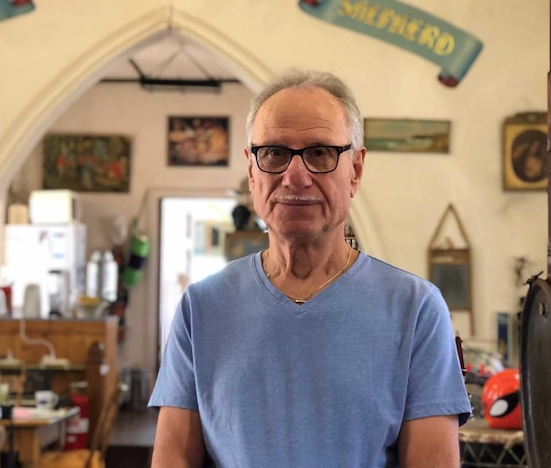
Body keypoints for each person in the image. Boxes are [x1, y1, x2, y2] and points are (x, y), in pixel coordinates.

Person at [149, 70, 471, 467]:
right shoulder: (202, 308)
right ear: (252, 170)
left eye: (320, 153)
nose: (295, 176)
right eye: (275, 153)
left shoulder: (415, 309)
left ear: (355, 170)